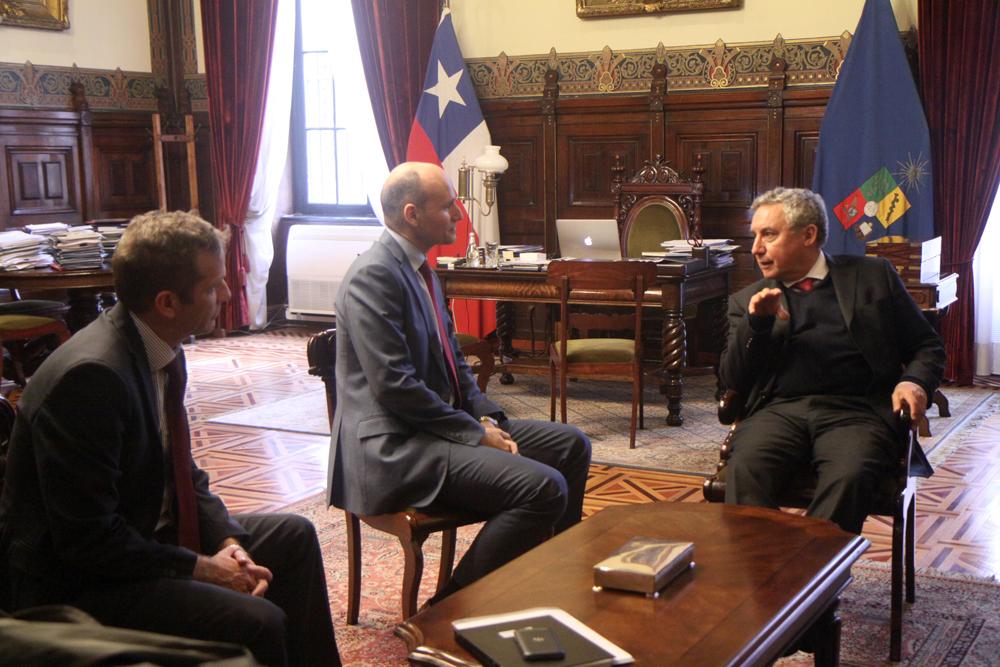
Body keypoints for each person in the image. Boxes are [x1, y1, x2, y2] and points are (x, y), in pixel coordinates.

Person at [0, 211, 340, 667]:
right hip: (77, 582)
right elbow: (88, 542)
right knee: (258, 620)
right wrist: (202, 569)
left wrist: (223, 542)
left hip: (141, 537)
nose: (226, 294)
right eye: (212, 286)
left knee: (293, 536)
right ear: (167, 302)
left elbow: (182, 472)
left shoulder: (160, 345)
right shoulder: (91, 379)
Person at [328, 162, 592, 602]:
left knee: (571, 446)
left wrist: (487, 419)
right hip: (394, 448)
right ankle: (451, 606)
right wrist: (474, 434)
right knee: (544, 488)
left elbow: (455, 365)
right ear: (412, 215)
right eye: (448, 206)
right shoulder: (373, 276)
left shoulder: (423, 271)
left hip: (435, 429)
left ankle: (554, 573)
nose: (458, 215)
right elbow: (395, 386)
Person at [719, 187, 945, 534]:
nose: (756, 249)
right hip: (778, 411)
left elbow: (926, 345)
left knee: (849, 475)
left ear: (809, 234)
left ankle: (811, 576)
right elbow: (731, 380)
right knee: (745, 469)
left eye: (769, 234)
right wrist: (757, 324)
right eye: (755, 236)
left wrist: (912, 382)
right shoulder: (746, 300)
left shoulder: (873, 276)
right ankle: (766, 576)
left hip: (858, 411)